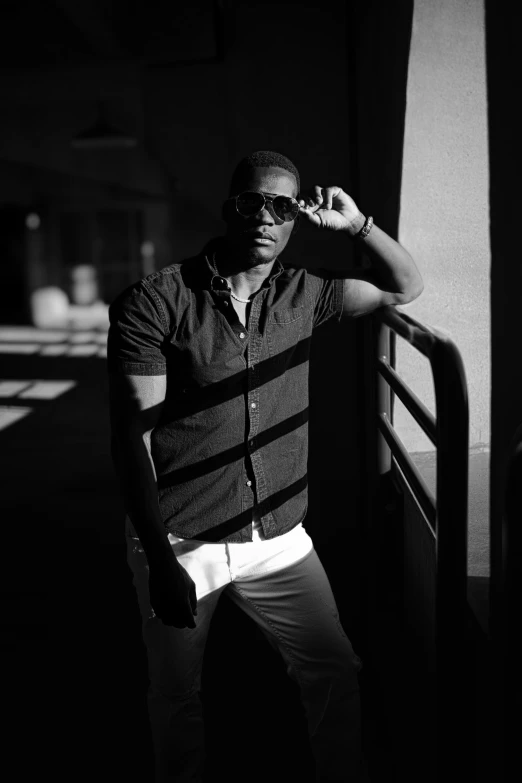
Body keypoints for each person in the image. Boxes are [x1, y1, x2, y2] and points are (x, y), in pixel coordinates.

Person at [107, 150, 423, 783]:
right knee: (176, 693)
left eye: (282, 207)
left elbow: (403, 286)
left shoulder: (306, 294)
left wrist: (357, 226)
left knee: (333, 670)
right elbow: (131, 442)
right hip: (183, 537)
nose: (266, 216)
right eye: (253, 202)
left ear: (295, 220)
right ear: (231, 208)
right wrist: (160, 561)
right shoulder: (156, 302)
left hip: (278, 536)